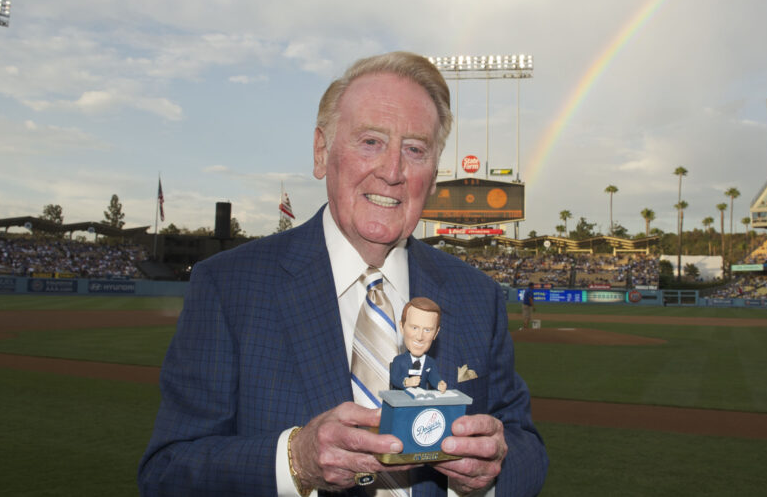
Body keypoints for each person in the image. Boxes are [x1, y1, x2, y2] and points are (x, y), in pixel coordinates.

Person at [138, 51, 547, 497]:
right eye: (370, 141)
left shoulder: (477, 297)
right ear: (321, 152)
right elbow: (167, 474)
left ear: (432, 176)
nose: (392, 171)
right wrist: (295, 460)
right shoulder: (228, 287)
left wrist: (488, 474)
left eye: (415, 149)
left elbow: (525, 448)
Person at [390, 297, 446, 393]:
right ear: (402, 327)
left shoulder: (430, 363)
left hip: (421, 402)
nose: (420, 337)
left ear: (436, 333)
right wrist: (407, 382)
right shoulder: (399, 361)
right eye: (414, 328)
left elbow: (434, 377)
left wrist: (439, 384)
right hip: (401, 402)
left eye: (427, 330)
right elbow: (394, 378)